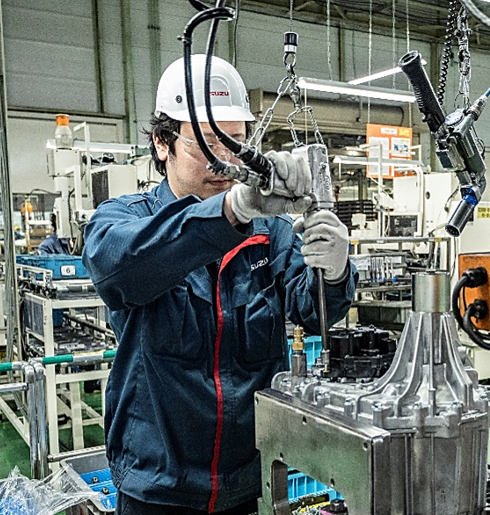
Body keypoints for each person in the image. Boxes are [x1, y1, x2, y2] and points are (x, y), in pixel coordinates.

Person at [82, 54, 357, 515]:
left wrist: (334, 270)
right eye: (207, 144)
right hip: (158, 488)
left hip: (249, 483)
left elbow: (314, 312)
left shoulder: (269, 234)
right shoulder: (127, 220)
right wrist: (231, 211)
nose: (224, 162)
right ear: (162, 144)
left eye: (235, 143)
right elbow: (118, 268)